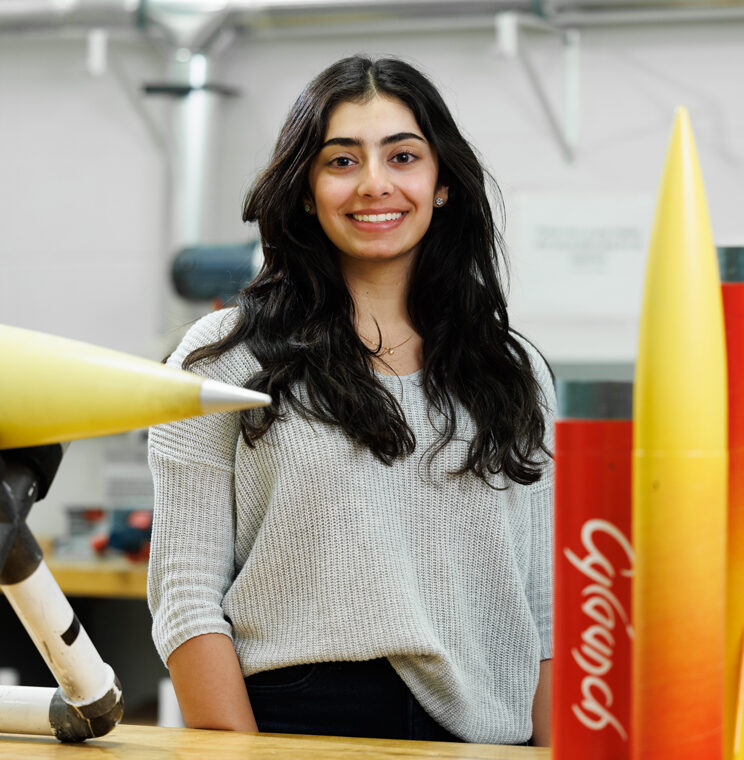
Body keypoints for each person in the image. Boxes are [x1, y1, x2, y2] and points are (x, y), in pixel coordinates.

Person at [147, 55, 555, 746]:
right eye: (341, 161)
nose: (375, 184)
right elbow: (185, 600)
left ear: (442, 183)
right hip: (294, 722)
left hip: (487, 728)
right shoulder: (223, 356)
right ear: (305, 189)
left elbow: (543, 610)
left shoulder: (510, 370)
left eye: (402, 156)